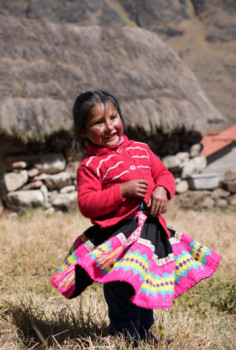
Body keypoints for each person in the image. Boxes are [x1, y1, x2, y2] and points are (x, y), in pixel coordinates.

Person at [51, 90, 221, 344]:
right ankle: (124, 333)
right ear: (84, 132)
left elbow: (164, 174)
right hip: (117, 237)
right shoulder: (90, 166)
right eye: (98, 122)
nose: (109, 127)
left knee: (145, 283)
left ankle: (143, 330)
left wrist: (162, 189)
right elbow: (87, 204)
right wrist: (121, 191)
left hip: (149, 234)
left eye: (113, 117)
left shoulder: (142, 150)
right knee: (122, 283)